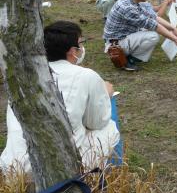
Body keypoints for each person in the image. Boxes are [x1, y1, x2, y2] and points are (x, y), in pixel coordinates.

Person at [0, 21, 120, 173]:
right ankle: (112, 175)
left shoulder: (23, 76)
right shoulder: (86, 76)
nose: (82, 48)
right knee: (109, 126)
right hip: (57, 170)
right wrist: (105, 95)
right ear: (72, 51)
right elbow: (97, 122)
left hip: (13, 167)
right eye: (81, 43)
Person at [103, 0, 177, 71]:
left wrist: (172, 28)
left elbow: (153, 17)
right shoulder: (128, 8)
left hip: (120, 38)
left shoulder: (130, 0)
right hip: (115, 44)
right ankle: (128, 59)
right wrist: (176, 40)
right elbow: (154, 25)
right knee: (153, 36)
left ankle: (130, 56)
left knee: (149, 30)